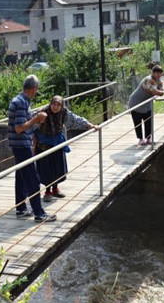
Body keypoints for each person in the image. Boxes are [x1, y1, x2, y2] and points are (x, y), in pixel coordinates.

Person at [8, 75, 57, 223]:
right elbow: (19, 128)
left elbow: (23, 123)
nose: (37, 91)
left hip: (18, 144)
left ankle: (21, 208)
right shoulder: (21, 103)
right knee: (32, 178)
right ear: (33, 88)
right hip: (21, 144)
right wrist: (36, 119)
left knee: (21, 176)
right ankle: (39, 213)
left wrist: (35, 118)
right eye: (37, 89)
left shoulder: (21, 100)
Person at [35, 95, 97, 203]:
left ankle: (55, 189)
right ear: (51, 104)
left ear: (61, 105)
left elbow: (76, 119)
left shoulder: (64, 113)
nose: (55, 107)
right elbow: (32, 123)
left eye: (58, 105)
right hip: (44, 146)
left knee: (57, 168)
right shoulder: (43, 112)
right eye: (54, 104)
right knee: (46, 170)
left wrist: (90, 125)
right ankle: (47, 191)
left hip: (57, 144)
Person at [127, 65, 164, 146]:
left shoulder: (159, 81)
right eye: (157, 73)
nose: (158, 75)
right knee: (138, 122)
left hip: (147, 103)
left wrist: (160, 92)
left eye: (160, 73)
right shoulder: (148, 80)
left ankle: (148, 139)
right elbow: (154, 92)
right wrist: (159, 92)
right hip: (136, 102)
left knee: (148, 121)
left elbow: (161, 90)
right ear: (153, 73)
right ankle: (140, 139)